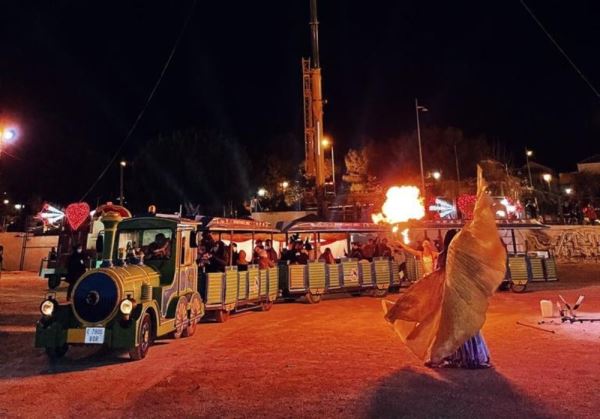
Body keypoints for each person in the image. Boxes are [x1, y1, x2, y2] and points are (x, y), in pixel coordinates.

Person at [382, 173, 506, 368]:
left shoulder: (446, 256)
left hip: (452, 298)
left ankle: (458, 357)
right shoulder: (452, 256)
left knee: (451, 328)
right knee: (463, 328)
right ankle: (470, 358)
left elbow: (442, 274)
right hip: (460, 298)